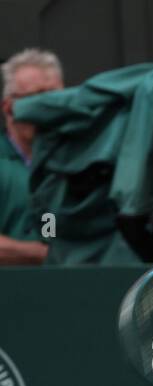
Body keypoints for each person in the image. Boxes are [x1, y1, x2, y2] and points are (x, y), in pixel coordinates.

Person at [0, 47, 62, 265]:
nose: (49, 108)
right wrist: (41, 253)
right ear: (8, 107)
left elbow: (50, 228)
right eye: (36, 98)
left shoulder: (70, 163)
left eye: (54, 97)